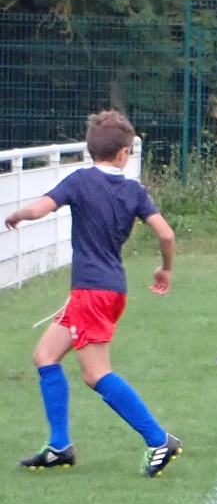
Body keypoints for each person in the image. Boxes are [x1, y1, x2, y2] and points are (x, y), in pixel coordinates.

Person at [3, 110, 182, 477]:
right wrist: (164, 269)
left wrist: (19, 214)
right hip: (106, 290)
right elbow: (166, 234)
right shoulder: (134, 191)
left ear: (91, 150)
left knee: (96, 374)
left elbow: (40, 208)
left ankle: (158, 439)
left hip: (91, 293)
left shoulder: (80, 181)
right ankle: (59, 446)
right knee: (45, 356)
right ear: (124, 152)